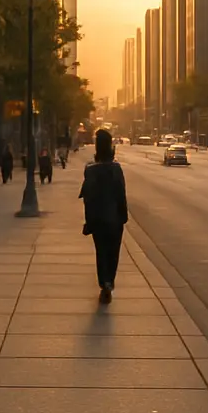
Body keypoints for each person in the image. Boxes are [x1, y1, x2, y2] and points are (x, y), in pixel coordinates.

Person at [79, 128, 129, 304]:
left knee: (101, 252)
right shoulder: (116, 168)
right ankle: (109, 282)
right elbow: (121, 194)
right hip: (114, 219)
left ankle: (104, 283)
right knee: (113, 252)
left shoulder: (90, 170)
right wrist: (123, 216)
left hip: (98, 219)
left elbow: (88, 198)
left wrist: (89, 221)